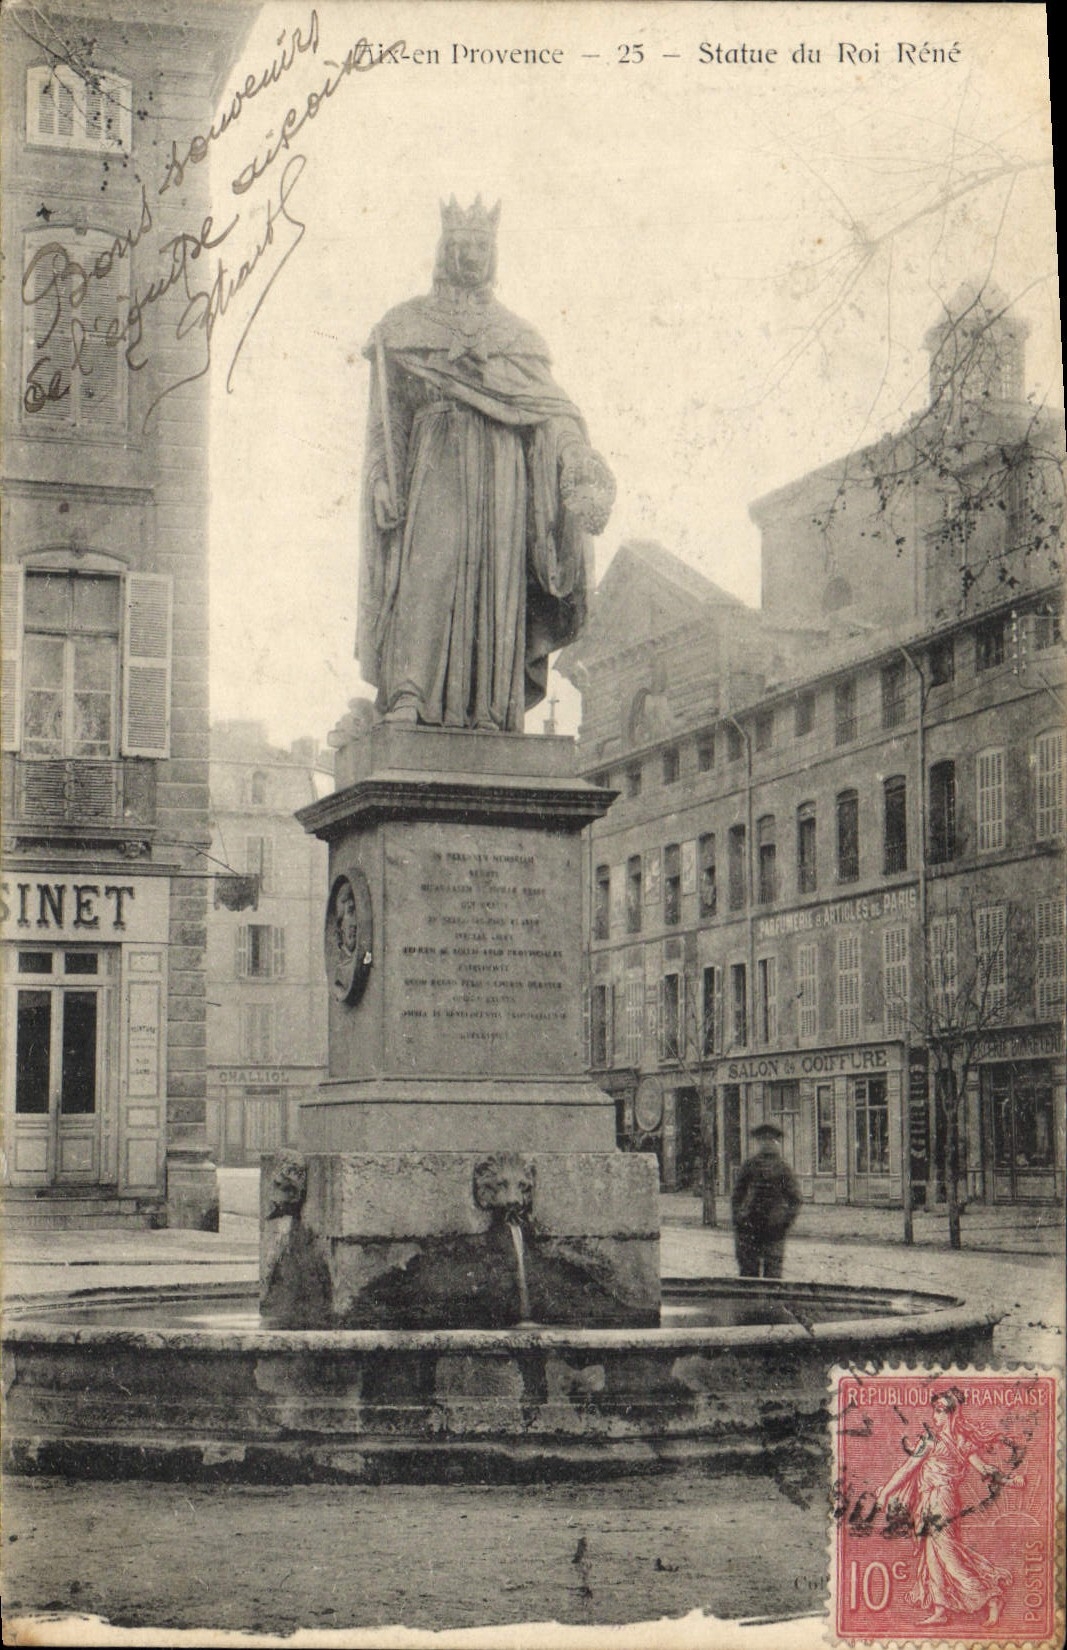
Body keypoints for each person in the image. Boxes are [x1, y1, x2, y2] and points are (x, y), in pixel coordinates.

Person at [357, 196, 615, 731]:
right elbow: (386, 421)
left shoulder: (516, 336)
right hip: (435, 463)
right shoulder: (405, 325)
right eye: (461, 245)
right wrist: (381, 477)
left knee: (498, 585)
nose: (471, 255)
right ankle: (410, 692)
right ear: (443, 249)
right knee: (427, 573)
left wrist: (575, 459)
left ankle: (491, 708)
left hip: (502, 473)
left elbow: (551, 413)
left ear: (492, 253)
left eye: (480, 245)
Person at [876, 1386, 1018, 1628]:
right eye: (935, 1410)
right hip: (928, 1501)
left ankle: (991, 1597)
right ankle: (940, 1609)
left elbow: (984, 1470)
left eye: (941, 1410)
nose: (935, 1416)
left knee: (947, 1555)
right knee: (932, 1557)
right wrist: (886, 1491)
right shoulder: (932, 1440)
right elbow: (907, 1469)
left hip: (943, 1500)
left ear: (953, 1413)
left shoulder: (959, 1442)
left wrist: (1010, 1481)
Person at [730, 1122, 802, 1278]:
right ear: (759, 1142)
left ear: (776, 1143)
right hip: (750, 1227)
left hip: (774, 1229)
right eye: (763, 1140)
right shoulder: (750, 1166)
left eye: (771, 1140)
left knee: (773, 1275)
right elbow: (737, 1195)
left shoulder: (783, 1169)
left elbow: (795, 1199)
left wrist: (785, 1221)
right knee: (749, 1274)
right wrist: (739, 1218)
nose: (767, 1144)